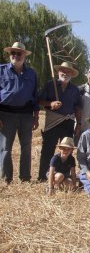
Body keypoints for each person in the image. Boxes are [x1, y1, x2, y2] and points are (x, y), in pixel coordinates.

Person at [0, 42, 39, 183]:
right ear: (10, 55)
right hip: (6, 114)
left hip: (26, 115)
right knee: (5, 148)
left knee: (26, 147)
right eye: (13, 53)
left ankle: (25, 177)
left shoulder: (32, 73)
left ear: (24, 56)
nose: (16, 56)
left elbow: (35, 95)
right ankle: (6, 178)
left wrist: (36, 116)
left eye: (19, 53)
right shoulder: (1, 70)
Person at [38, 61, 81, 182]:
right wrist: (50, 103)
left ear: (72, 74)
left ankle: (64, 175)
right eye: (63, 71)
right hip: (52, 121)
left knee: (66, 149)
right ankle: (43, 176)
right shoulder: (50, 85)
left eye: (68, 72)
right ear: (58, 72)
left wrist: (79, 124)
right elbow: (40, 101)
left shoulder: (75, 90)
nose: (65, 73)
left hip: (68, 123)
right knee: (47, 149)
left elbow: (77, 108)